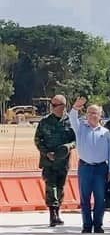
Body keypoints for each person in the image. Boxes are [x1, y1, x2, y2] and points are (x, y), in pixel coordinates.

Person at [69, 97, 110, 234]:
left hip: (101, 168)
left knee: (100, 198)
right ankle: (87, 225)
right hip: (85, 167)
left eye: (95, 113)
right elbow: (72, 119)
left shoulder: (105, 132)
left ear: (100, 115)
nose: (92, 115)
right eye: (89, 113)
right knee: (85, 198)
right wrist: (75, 108)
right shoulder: (81, 129)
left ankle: (98, 224)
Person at [34, 95, 76, 227]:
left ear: (63, 106)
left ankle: (58, 212)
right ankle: (53, 214)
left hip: (63, 161)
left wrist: (68, 147)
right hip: (49, 161)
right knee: (50, 187)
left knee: (60, 187)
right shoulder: (45, 121)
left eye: (55, 105)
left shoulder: (70, 122)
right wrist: (46, 152)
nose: (52, 108)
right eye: (52, 105)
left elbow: (76, 139)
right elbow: (37, 139)